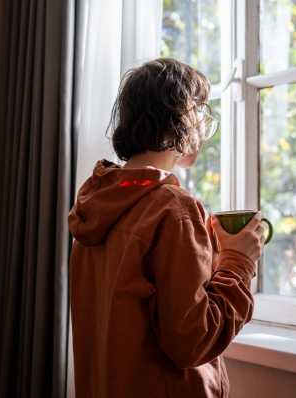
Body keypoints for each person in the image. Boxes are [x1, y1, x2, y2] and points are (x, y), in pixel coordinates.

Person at [68, 58, 266, 398]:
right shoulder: (175, 210)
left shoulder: (96, 203)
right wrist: (238, 261)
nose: (204, 126)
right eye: (201, 112)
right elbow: (193, 340)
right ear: (183, 119)